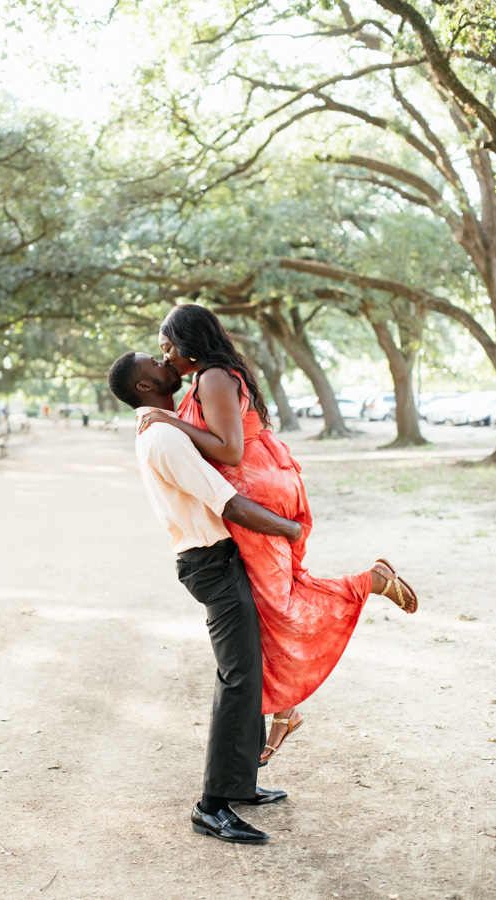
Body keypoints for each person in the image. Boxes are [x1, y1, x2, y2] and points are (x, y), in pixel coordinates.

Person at [138, 304, 418, 764]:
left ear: (191, 342)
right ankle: (286, 711)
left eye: (168, 344)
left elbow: (229, 451)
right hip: (265, 485)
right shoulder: (211, 376)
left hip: (258, 496)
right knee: (271, 604)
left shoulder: (211, 377)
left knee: (280, 604)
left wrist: (169, 420)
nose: (164, 353)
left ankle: (372, 581)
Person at [108, 351, 306, 844]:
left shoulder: (169, 425)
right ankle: (211, 806)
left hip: (217, 559)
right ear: (146, 387)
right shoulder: (163, 437)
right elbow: (230, 502)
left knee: (248, 672)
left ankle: (241, 786)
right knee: (238, 678)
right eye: (153, 361)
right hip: (211, 563)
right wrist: (290, 528)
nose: (163, 359)